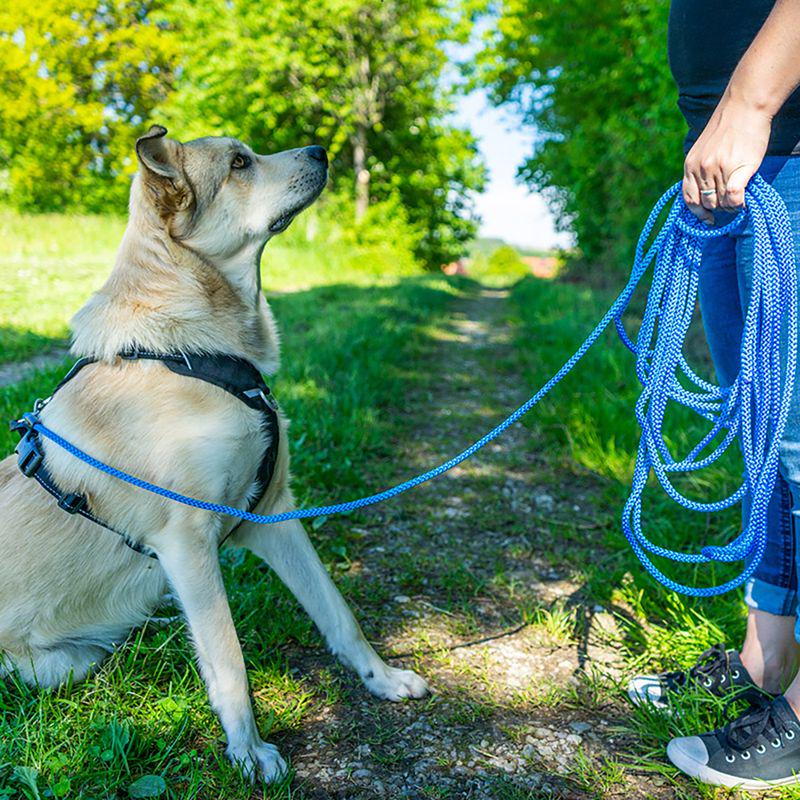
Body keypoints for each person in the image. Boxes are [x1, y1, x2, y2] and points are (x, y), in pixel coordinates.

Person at [626, 0, 800, 789]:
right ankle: (767, 657)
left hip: (777, 134)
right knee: (771, 438)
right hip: (735, 155)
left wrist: (750, 102)